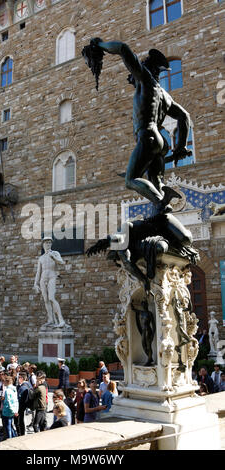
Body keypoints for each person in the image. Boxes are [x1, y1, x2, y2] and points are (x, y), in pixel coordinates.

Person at [84, 38, 191, 215]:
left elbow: (123, 49)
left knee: (131, 179)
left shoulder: (145, 79)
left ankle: (162, 202)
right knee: (156, 183)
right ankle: (162, 211)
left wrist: (100, 44)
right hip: (160, 142)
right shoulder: (164, 95)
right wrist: (180, 147)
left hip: (147, 136)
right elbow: (184, 116)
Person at [34, 237, 66, 327]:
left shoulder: (55, 253)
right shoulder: (41, 258)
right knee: (46, 300)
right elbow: (38, 272)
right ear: (43, 244)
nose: (48, 244)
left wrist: (54, 258)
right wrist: (35, 284)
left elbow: (62, 262)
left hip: (52, 276)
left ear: (51, 244)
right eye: (46, 243)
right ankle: (51, 319)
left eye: (49, 242)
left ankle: (61, 320)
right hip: (43, 279)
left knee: (51, 298)